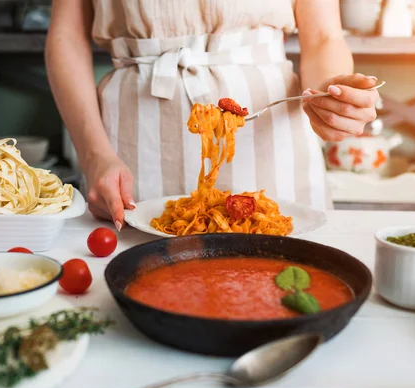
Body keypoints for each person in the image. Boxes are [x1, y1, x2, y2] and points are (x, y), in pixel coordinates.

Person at [45, 0, 380, 231]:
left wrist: (329, 94)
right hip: (133, 136)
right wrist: (94, 156)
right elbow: (67, 38)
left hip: (270, 137)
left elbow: (323, 36)